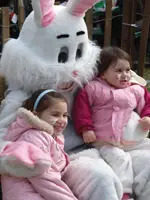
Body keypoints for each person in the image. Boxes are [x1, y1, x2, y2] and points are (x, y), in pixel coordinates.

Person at [73, 46, 150, 200]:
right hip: (105, 141)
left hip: (132, 141)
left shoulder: (135, 89)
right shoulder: (93, 88)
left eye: (127, 70)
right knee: (121, 160)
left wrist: (147, 117)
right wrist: (86, 128)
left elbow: (147, 104)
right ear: (103, 73)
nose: (125, 75)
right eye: (118, 71)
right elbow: (81, 109)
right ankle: (125, 193)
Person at [0, 89, 78, 200]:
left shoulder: (53, 137)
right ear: (36, 115)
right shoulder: (34, 137)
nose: (62, 120)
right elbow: (45, 179)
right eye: (55, 115)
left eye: (65, 115)